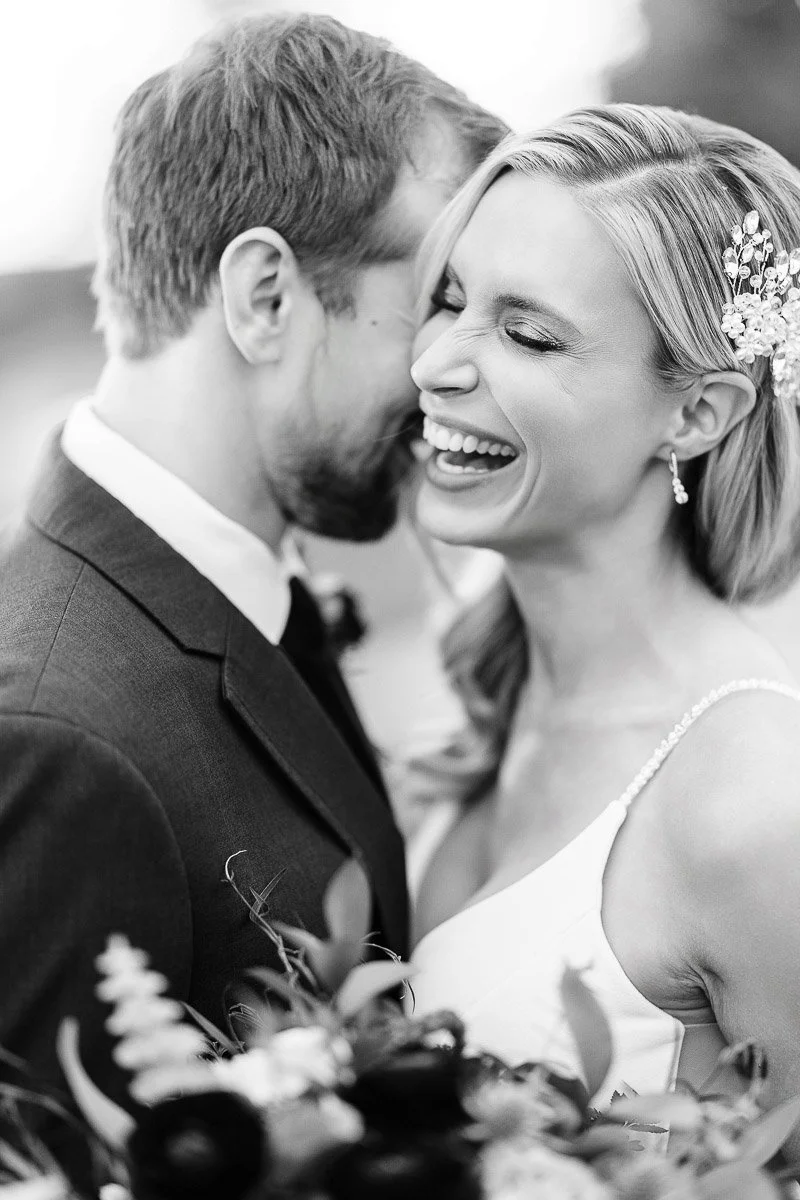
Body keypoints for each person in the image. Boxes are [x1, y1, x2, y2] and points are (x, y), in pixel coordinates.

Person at [0, 12, 506, 1107]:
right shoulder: (58, 739)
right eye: (429, 310)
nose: (444, 384)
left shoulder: (226, 595)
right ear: (265, 296)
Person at [404, 103, 800, 1143]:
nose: (436, 363)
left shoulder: (755, 805)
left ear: (694, 415)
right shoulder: (484, 695)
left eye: (527, 334)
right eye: (448, 300)